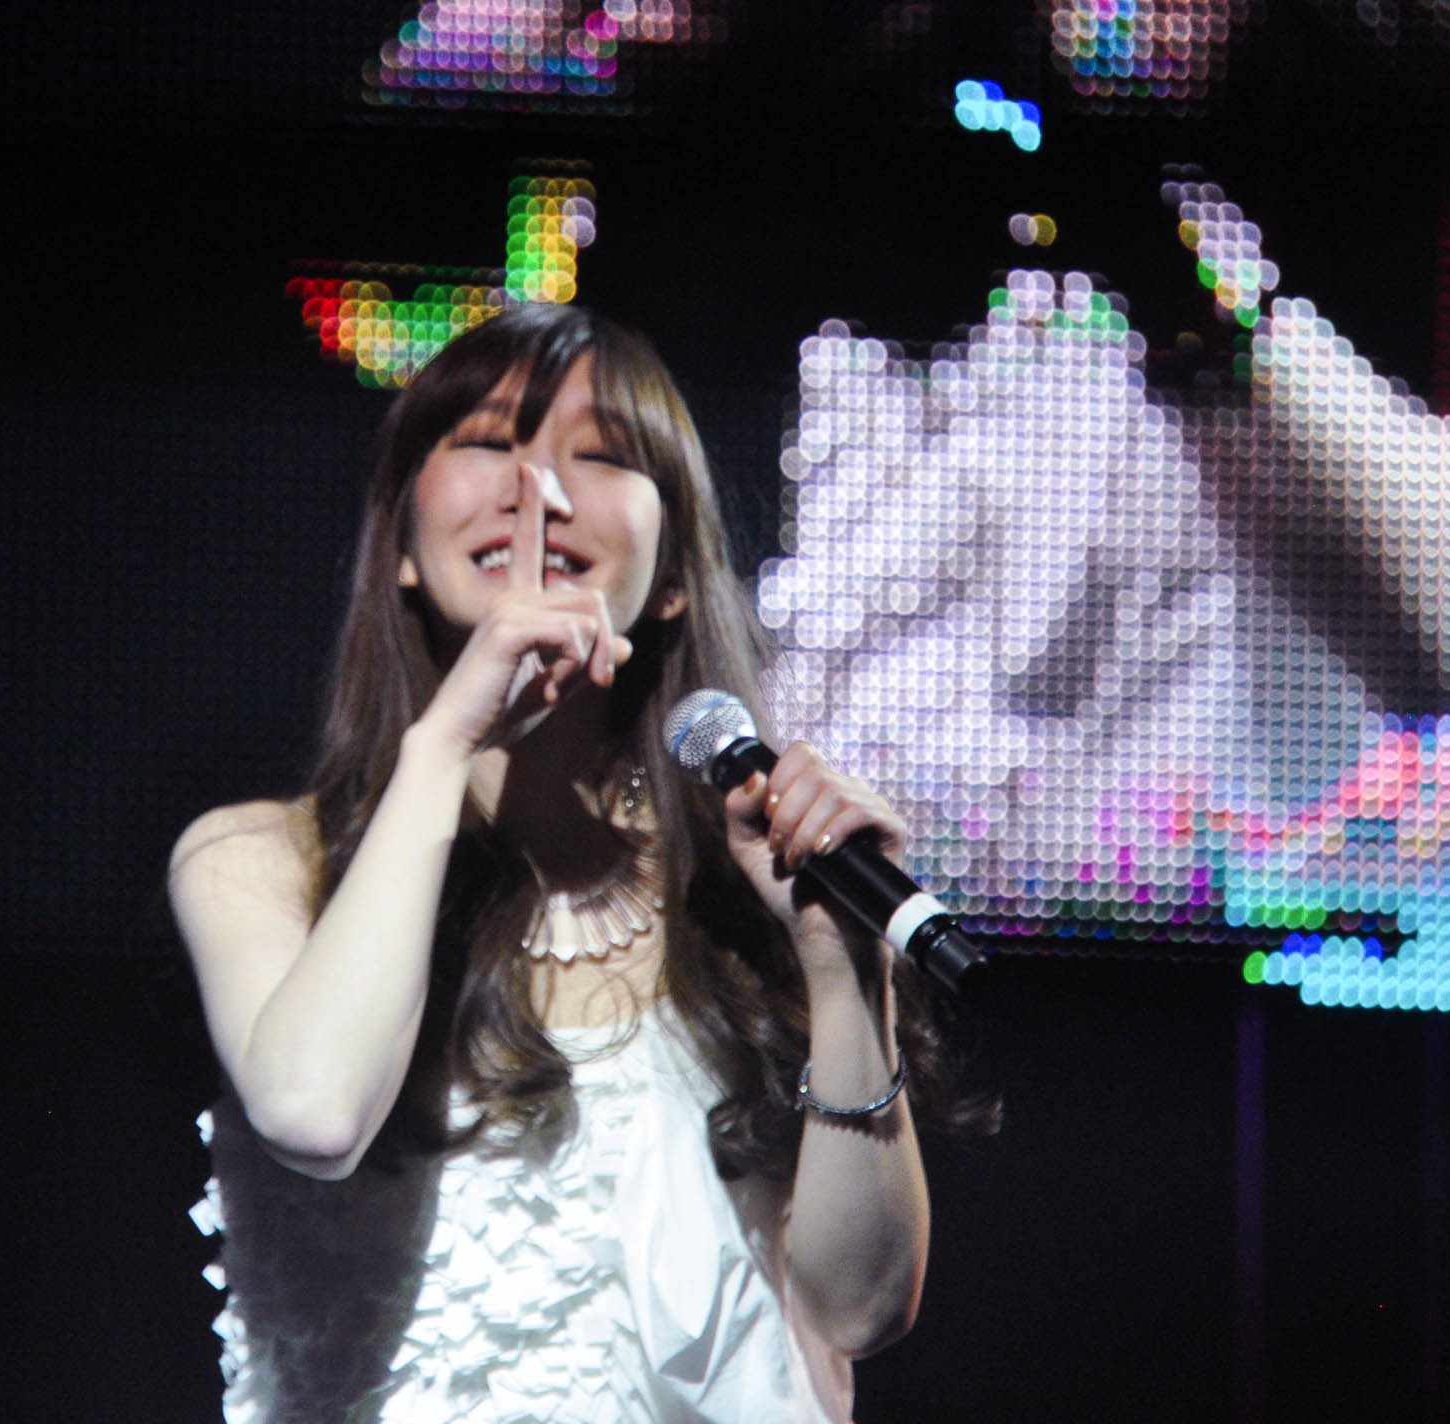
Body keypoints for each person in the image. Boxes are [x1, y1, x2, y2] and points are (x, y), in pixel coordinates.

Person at [171, 303, 954, 1423]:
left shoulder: (746, 894)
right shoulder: (258, 861)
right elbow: (315, 1109)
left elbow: (858, 1308)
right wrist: (445, 740)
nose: (537, 486)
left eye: (599, 456)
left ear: (673, 573)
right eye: (488, 441)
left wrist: (841, 970)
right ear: (399, 540)